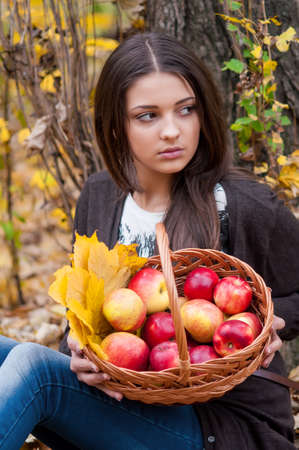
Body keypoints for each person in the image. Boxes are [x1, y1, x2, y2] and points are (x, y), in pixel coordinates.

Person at [0, 32, 298, 450]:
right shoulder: (100, 197)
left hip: (221, 426)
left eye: (186, 110)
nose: (172, 131)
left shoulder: (241, 203)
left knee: (32, 367)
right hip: (127, 400)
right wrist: (79, 352)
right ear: (116, 125)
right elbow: (91, 313)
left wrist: (268, 324)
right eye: (147, 116)